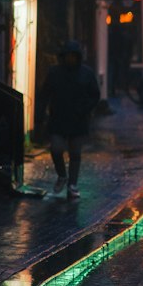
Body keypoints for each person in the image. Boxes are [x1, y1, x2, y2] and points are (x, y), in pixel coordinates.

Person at [37, 40, 101, 200]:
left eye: (73, 56)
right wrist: (41, 114)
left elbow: (94, 95)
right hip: (59, 118)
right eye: (68, 56)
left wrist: (85, 109)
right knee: (56, 149)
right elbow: (45, 94)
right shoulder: (55, 73)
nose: (70, 59)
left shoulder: (86, 73)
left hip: (78, 119)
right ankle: (63, 176)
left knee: (75, 153)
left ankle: (72, 184)